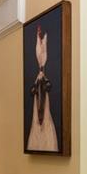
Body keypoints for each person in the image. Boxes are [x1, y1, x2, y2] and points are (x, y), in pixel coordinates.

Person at [27, 24, 59, 152]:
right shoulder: (39, 79)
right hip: (40, 84)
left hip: (42, 84)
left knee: (44, 112)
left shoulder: (43, 78)